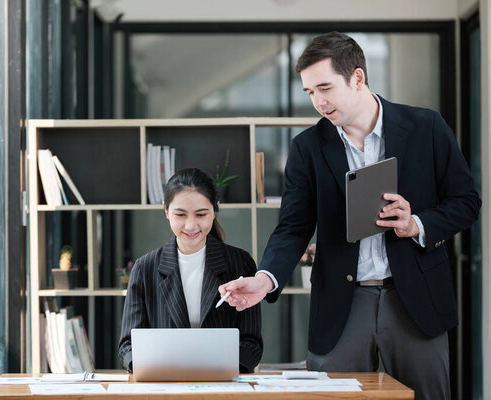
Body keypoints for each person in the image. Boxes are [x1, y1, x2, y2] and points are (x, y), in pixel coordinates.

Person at [218, 32, 481, 400]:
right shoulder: (307, 148)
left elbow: (466, 202)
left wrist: (416, 224)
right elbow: (293, 228)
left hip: (416, 299)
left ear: (357, 78)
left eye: (325, 87)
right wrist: (265, 279)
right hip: (342, 303)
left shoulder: (427, 128)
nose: (318, 102)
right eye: (310, 92)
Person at [118, 168, 263, 372]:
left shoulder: (240, 263)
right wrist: (148, 367)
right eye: (180, 214)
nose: (191, 225)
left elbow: (252, 344)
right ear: (166, 211)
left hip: (224, 386)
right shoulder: (145, 268)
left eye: (201, 214)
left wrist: (217, 370)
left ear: (215, 209)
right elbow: (127, 346)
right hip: (164, 384)